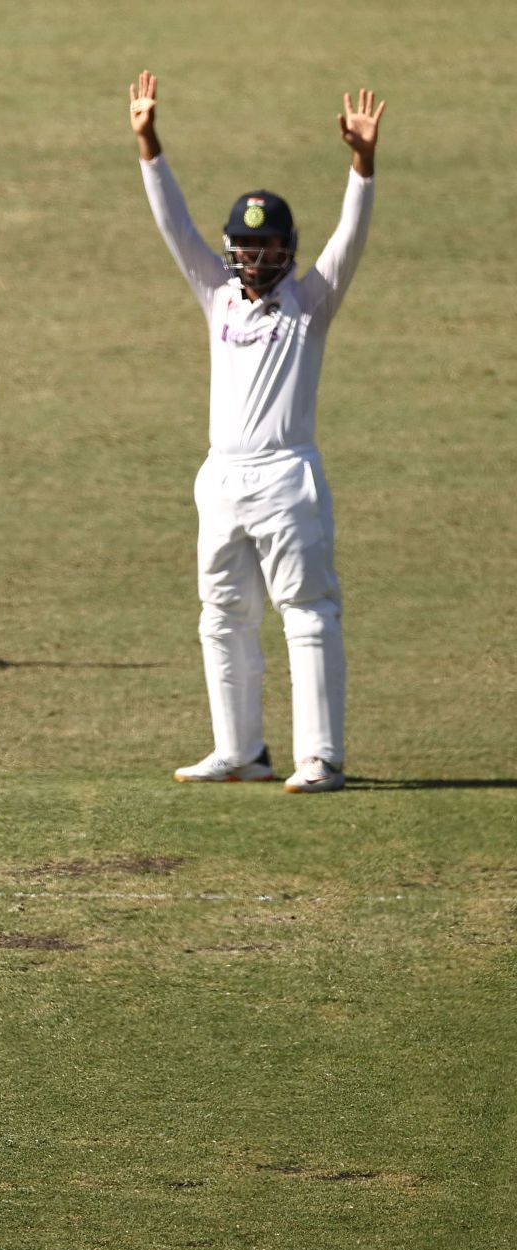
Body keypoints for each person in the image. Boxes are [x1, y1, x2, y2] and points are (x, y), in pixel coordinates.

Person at [130, 71, 386, 794]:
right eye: (247, 245)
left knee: (307, 613)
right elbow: (174, 228)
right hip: (222, 478)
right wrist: (148, 144)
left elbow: (351, 238)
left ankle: (321, 759)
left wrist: (361, 165)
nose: (257, 255)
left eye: (270, 244)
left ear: (288, 248)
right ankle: (241, 750)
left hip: (286, 477)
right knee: (222, 614)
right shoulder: (217, 297)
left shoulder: (311, 302)